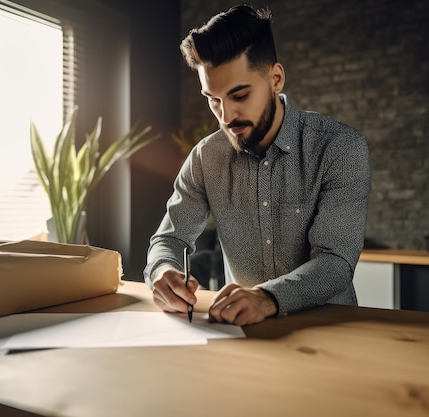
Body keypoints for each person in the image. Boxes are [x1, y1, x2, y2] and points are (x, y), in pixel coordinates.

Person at [144, 5, 371, 326]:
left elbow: (335, 262)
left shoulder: (339, 146)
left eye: (239, 95)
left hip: (329, 328)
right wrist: (162, 271)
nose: (226, 116)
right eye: (213, 99)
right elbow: (168, 240)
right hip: (243, 332)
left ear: (275, 78)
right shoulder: (206, 157)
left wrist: (267, 298)